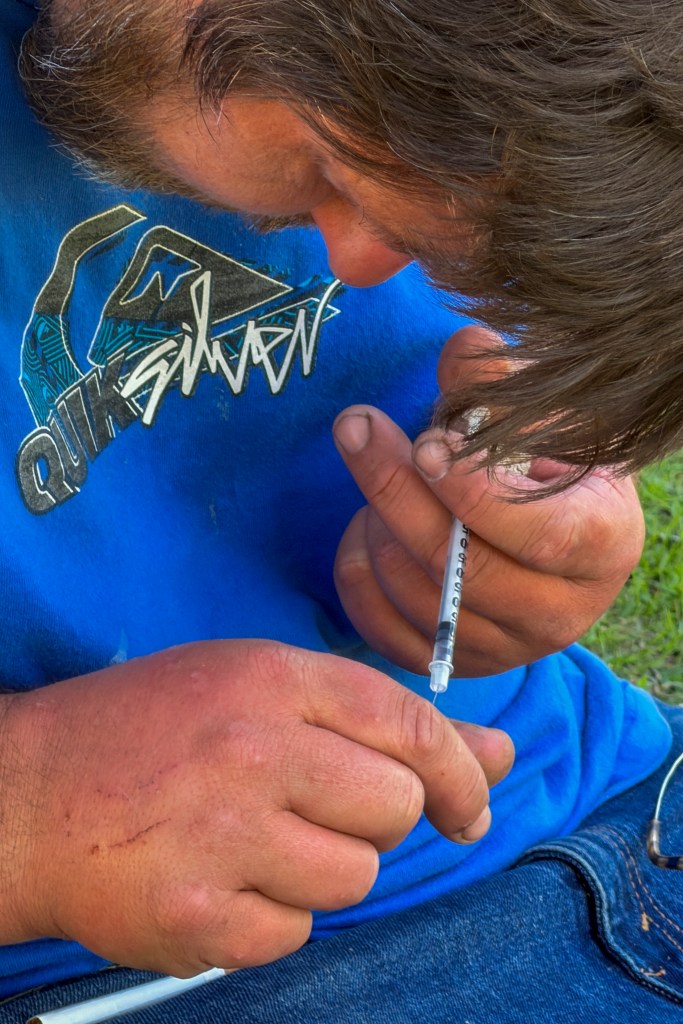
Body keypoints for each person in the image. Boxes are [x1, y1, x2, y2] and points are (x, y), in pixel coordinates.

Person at [0, 1, 680, 1021]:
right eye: (329, 168)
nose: (358, 261)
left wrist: (541, 544)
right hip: (127, 974)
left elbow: (498, 384)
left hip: (605, 801)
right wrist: (31, 816)